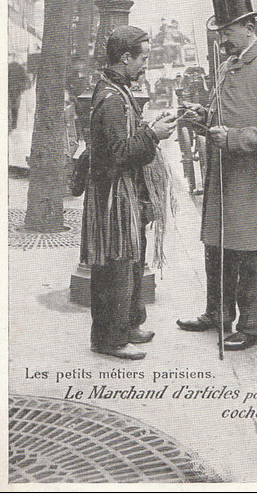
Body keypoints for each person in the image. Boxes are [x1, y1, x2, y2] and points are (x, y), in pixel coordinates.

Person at [177, 0, 257, 350]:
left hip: (254, 180)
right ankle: (217, 313)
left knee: (252, 252)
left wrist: (231, 139)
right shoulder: (229, 66)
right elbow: (225, 116)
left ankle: (253, 327)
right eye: (220, 32)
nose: (222, 39)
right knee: (217, 246)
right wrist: (203, 117)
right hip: (224, 177)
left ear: (248, 26)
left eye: (228, 31)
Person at [80, 26, 177, 359]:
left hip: (123, 192)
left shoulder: (115, 89)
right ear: (125, 58)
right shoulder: (111, 99)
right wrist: (153, 133)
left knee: (131, 260)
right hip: (114, 196)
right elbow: (119, 152)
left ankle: (128, 325)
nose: (145, 66)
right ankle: (109, 339)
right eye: (143, 58)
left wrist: (149, 129)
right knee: (116, 265)